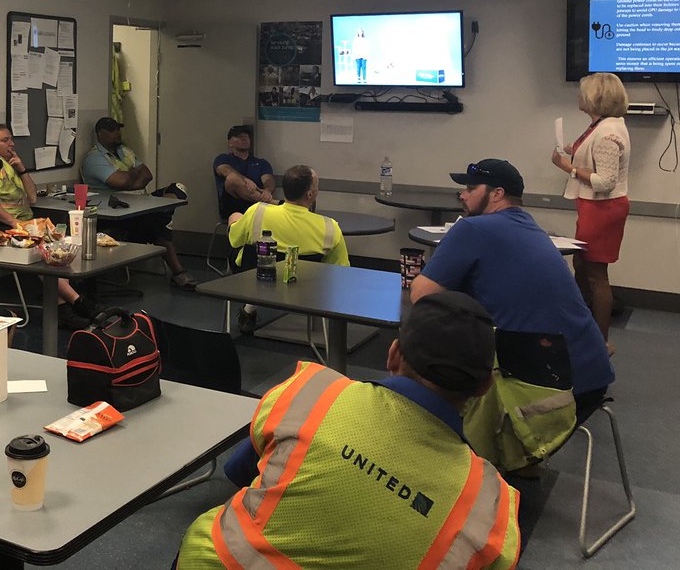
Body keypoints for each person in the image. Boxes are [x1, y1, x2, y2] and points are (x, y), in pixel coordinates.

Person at [176, 292, 520, 569]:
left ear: (393, 354)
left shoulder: (309, 392)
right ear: (484, 386)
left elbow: (240, 472)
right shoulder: (490, 504)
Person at [413, 158, 613, 417]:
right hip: (591, 381)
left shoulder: (472, 229)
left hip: (543, 393)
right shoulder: (532, 229)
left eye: (471, 188)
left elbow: (421, 295)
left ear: (497, 194)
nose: (462, 195)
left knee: (434, 363)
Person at [0, 123, 96, 329]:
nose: (12, 144)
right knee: (41, 250)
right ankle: (76, 302)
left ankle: (67, 304)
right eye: (5, 140)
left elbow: (32, 197)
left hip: (19, 224)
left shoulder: (7, 165)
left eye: (11, 139)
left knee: (57, 246)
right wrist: (14, 223)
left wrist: (22, 169)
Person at [551, 72, 631, 347]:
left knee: (596, 274)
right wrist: (572, 151)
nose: (579, 96)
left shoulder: (608, 133)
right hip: (593, 207)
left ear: (595, 97)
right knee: (582, 265)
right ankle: (582, 329)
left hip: (603, 208)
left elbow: (604, 182)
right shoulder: (604, 124)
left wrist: (568, 168)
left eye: (583, 92)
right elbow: (594, 157)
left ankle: (600, 341)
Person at [227, 165, 348, 334]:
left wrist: (234, 220)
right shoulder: (330, 227)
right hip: (305, 288)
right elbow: (341, 271)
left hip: (253, 277)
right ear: (310, 194)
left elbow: (234, 240)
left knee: (249, 252)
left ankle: (248, 310)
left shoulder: (257, 211)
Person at [81, 117, 196, 290]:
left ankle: (161, 216)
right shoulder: (94, 158)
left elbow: (147, 175)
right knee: (157, 222)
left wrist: (130, 178)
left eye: (117, 129)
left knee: (178, 188)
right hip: (116, 211)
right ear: (100, 134)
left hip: (140, 200)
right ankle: (178, 272)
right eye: (111, 130)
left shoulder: (124, 151)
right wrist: (134, 174)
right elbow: (120, 182)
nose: (117, 133)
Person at [212, 125, 276, 220]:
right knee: (232, 178)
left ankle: (266, 201)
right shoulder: (223, 159)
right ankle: (273, 203)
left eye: (246, 137)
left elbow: (268, 179)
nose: (244, 139)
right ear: (229, 143)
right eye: (239, 137)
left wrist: (267, 190)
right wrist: (245, 180)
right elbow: (225, 171)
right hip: (234, 206)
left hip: (257, 207)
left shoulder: (261, 162)